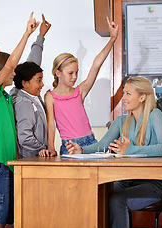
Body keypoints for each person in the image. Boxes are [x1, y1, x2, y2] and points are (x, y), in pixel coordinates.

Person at [65, 76, 162, 228]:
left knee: (116, 200)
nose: (123, 98)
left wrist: (131, 149)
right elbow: (102, 145)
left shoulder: (155, 115)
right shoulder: (122, 121)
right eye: (124, 93)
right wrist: (81, 150)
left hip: (151, 184)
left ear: (142, 97)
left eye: (128, 94)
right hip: (125, 180)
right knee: (94, 194)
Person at [0, 12, 39, 228]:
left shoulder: (6, 97)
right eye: (9, 70)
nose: (14, 73)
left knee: (1, 216)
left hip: (8, 163)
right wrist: (27, 33)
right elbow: (12, 64)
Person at [45, 17, 119, 155]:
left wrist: (112, 39)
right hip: (69, 146)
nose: (74, 76)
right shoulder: (50, 96)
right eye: (70, 73)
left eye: (77, 72)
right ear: (58, 73)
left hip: (90, 143)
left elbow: (96, 65)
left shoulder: (80, 91)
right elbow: (50, 125)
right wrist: (51, 147)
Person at [10, 14, 55, 158]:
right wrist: (44, 149)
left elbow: (33, 61)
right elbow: (25, 137)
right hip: (32, 159)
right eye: (39, 80)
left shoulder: (28, 92)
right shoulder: (23, 102)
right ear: (25, 83)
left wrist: (40, 36)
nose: (42, 84)